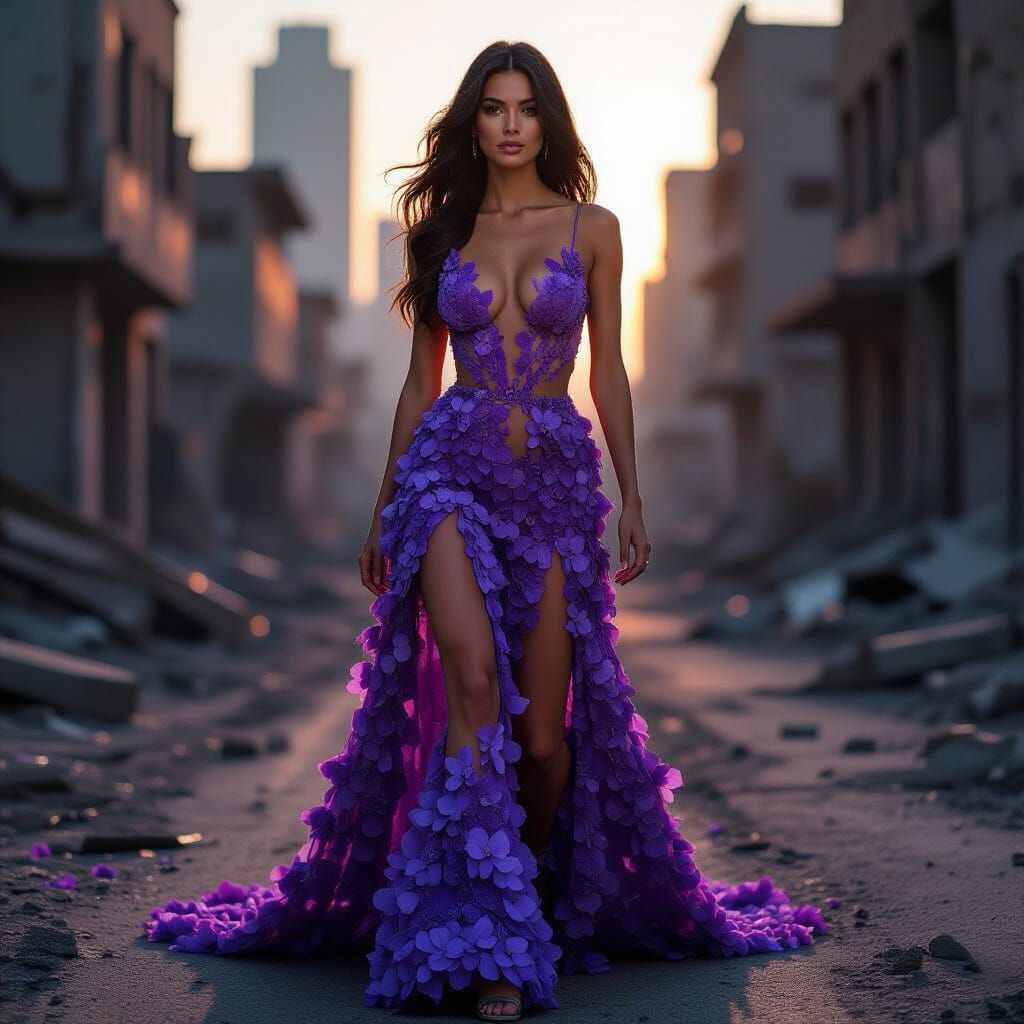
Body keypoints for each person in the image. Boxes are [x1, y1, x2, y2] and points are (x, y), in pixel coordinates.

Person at [143, 40, 829, 1023]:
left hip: (553, 487)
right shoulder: (440, 232)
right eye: (494, 108)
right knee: (472, 684)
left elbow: (608, 371)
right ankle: (484, 940)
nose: (511, 124)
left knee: (543, 739)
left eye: (527, 107)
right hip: (447, 481)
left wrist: (632, 495)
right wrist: (386, 504)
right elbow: (419, 384)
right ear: (473, 122)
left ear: (548, 121)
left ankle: (527, 893)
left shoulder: (594, 228)